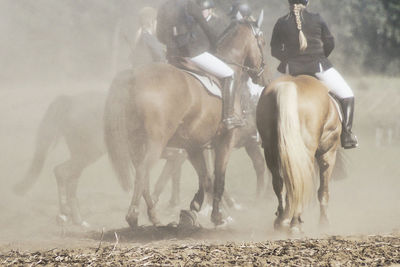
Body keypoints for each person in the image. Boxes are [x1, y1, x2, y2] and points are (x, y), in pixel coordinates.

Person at [270, 0, 358, 149]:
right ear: (307, 2)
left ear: (289, 3)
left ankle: (263, 135)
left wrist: (288, 59)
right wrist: (320, 56)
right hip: (318, 67)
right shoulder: (317, 18)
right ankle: (347, 135)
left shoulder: (281, 22)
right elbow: (330, 42)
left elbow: (274, 49)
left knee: (265, 96)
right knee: (347, 94)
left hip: (290, 70)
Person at [157, 0, 244, 130]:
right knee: (230, 74)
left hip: (172, 55)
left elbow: (160, 36)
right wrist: (216, 45)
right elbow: (206, 29)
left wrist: (173, 42)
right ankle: (228, 117)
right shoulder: (191, 5)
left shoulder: (164, 7)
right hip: (193, 53)